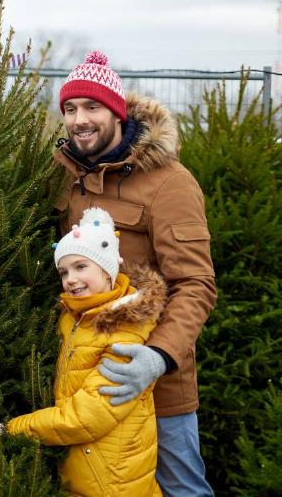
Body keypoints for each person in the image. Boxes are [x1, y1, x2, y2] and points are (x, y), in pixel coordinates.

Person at [53, 51, 217, 496]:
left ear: (117, 113)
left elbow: (196, 285)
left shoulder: (170, 182)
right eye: (70, 109)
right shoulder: (68, 177)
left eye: (91, 107)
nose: (79, 120)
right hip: (83, 387)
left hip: (158, 388)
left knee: (181, 487)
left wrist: (157, 359)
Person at [0, 207, 167, 496]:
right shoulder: (74, 316)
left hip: (111, 481)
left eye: (80, 267)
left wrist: (13, 429)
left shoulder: (123, 330)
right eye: (63, 271)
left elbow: (85, 418)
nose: (70, 279)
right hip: (85, 470)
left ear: (108, 270)